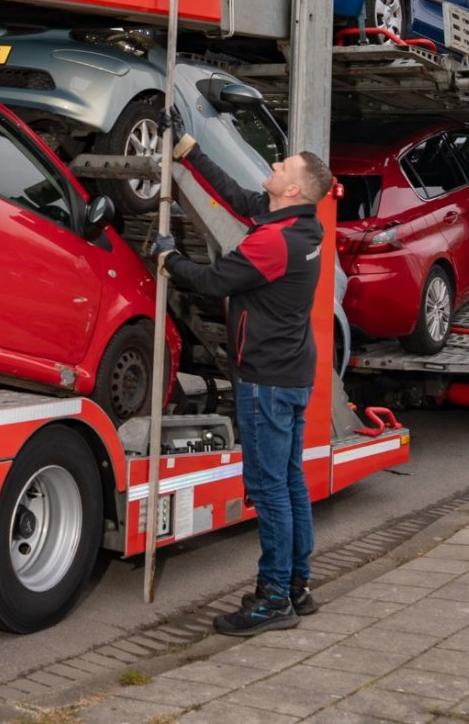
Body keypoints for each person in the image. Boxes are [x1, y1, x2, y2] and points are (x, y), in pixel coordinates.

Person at [148, 136, 332, 635]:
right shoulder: (298, 224)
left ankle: (273, 598)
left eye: (282, 165)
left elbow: (211, 281)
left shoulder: (275, 241)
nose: (273, 164)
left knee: (270, 488)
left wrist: (169, 259)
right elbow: (233, 196)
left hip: (266, 380)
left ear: (292, 188)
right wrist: (190, 151)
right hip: (291, 372)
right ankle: (296, 585)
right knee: (290, 480)